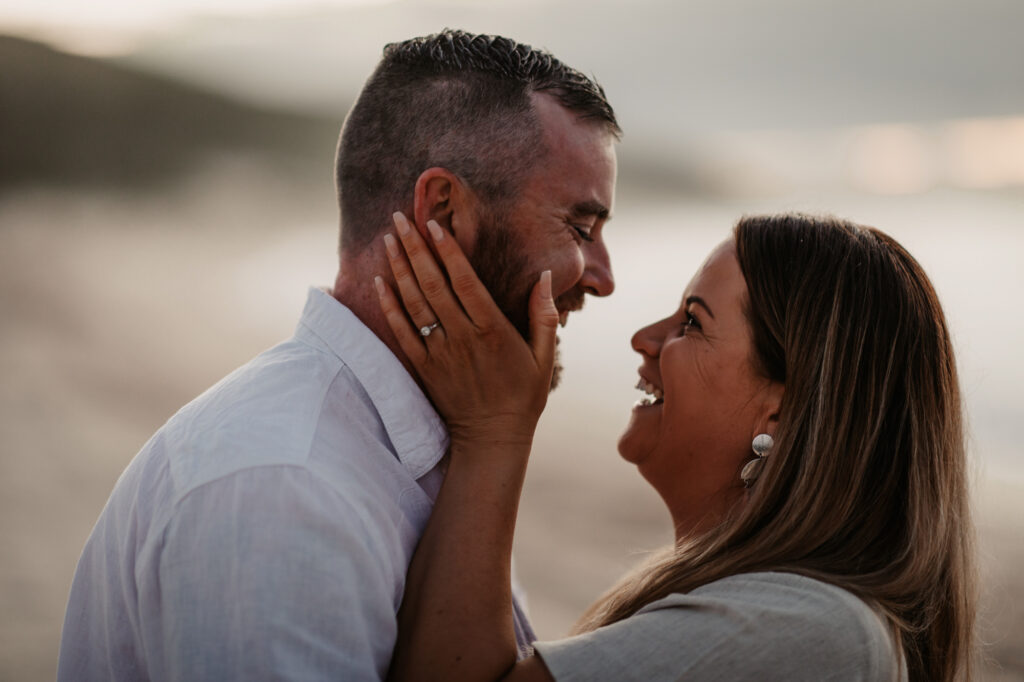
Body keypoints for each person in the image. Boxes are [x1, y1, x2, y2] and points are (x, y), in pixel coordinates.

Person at [57, 30, 620, 681]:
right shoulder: (283, 486)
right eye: (580, 228)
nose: (604, 277)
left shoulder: (420, 447)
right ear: (442, 210)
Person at [376, 211, 975, 681]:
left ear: (785, 407)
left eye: (692, 321)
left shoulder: (806, 630)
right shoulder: (791, 615)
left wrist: (493, 433)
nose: (645, 338)